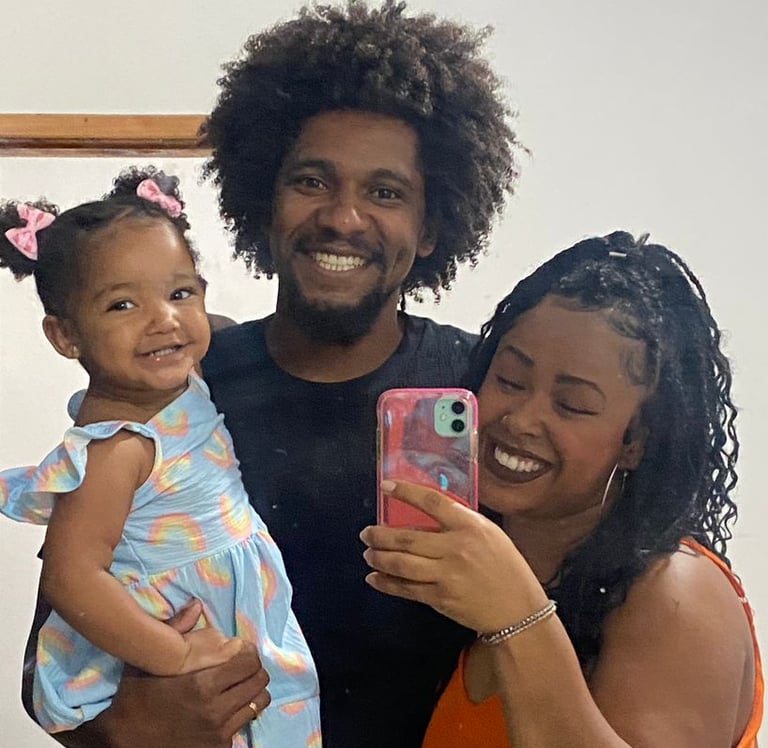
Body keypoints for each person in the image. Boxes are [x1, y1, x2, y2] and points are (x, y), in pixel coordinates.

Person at [20, 2, 522, 746]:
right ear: (264, 202)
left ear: (432, 227)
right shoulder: (177, 390)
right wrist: (134, 728)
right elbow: (52, 661)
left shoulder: (481, 389)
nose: (343, 217)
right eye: (312, 181)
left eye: (386, 192)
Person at [361, 231, 764, 747]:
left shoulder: (674, 592)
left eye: (572, 405)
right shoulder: (495, 582)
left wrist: (518, 615)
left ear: (636, 442)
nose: (521, 419)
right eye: (509, 380)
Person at [1, 168, 321, 747]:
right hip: (170, 631)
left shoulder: (181, 380)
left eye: (180, 294)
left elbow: (203, 332)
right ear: (66, 336)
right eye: (122, 304)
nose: (164, 320)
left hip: (233, 602)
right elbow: (72, 577)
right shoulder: (116, 447)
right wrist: (174, 654)